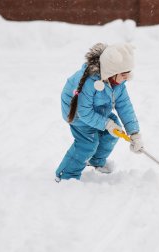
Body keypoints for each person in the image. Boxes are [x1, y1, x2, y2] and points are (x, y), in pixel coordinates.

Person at [55, 43, 143, 182]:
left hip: (99, 109)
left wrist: (134, 133)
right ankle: (66, 176)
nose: (128, 77)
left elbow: (125, 106)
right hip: (77, 114)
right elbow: (84, 112)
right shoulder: (89, 83)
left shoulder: (118, 84)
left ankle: (96, 161)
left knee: (113, 133)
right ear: (111, 72)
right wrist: (106, 123)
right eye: (124, 74)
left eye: (129, 73)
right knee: (88, 143)